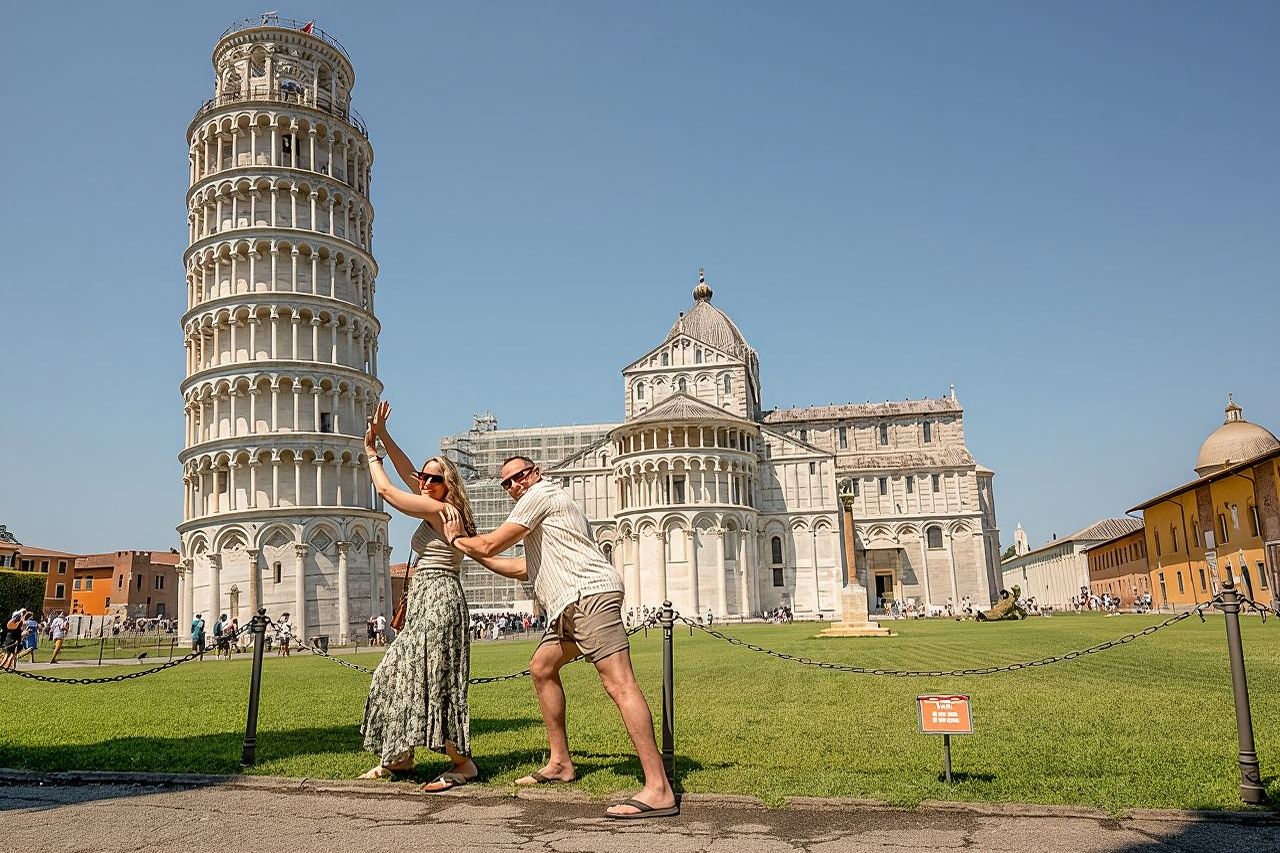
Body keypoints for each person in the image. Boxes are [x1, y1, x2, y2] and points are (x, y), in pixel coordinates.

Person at [446, 455, 678, 820]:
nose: (514, 486)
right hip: (567, 606)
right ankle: (560, 763)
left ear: (536, 473)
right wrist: (472, 549)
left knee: (620, 684)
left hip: (588, 597)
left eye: (519, 476)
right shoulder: (546, 517)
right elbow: (521, 567)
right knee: (541, 667)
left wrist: (459, 540)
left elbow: (492, 546)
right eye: (506, 483)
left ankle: (659, 788)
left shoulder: (541, 495)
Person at [359, 400, 477, 792]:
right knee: (399, 673)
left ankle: (463, 764)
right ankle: (400, 757)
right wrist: (386, 436)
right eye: (424, 479)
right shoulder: (440, 503)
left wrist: (372, 453)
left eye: (433, 479)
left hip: (440, 598)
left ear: (449, 486)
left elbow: (388, 491)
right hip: (428, 598)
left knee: (434, 679)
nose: (425, 483)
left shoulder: (440, 511)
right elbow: (409, 471)